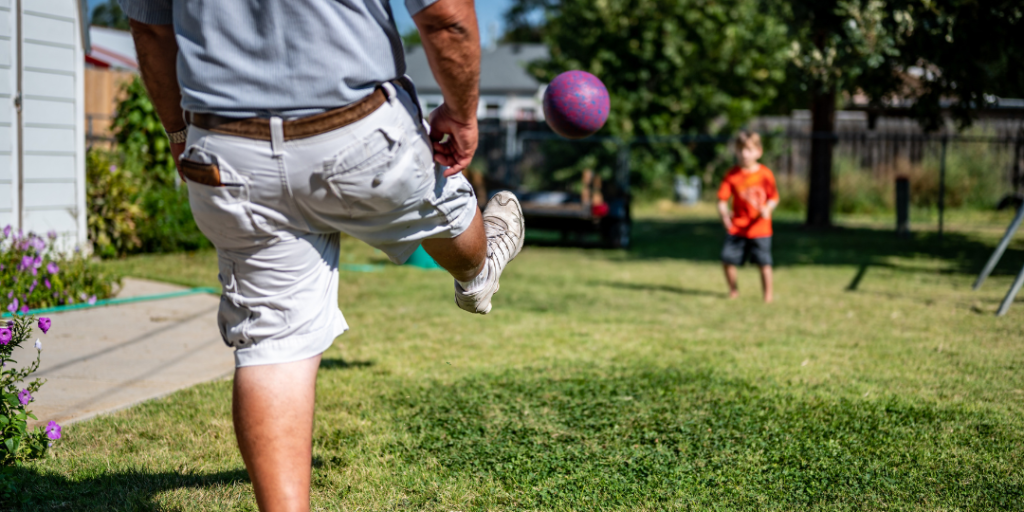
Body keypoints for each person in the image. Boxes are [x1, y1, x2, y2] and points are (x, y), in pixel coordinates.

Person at [119, 1, 523, 510]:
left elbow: (150, 30)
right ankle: (478, 269)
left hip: (228, 150)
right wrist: (462, 115)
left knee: (273, 344)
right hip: (358, 131)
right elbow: (446, 16)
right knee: (442, 198)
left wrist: (178, 134)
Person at [717, 131, 778, 303]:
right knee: (727, 259)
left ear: (759, 151)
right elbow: (722, 200)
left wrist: (768, 208)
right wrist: (723, 214)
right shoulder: (732, 175)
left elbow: (774, 197)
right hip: (738, 226)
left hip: (760, 228)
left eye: (749, 149)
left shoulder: (765, 174)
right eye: (740, 149)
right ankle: (733, 291)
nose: (744, 154)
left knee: (764, 263)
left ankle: (768, 296)